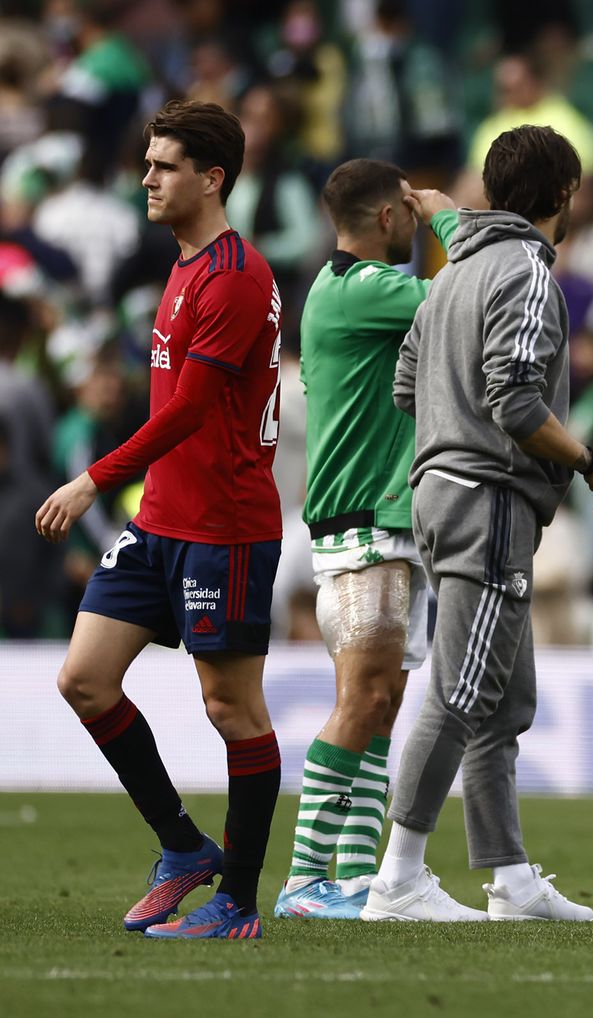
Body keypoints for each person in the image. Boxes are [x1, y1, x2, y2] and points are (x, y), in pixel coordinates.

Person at [36, 99, 285, 940]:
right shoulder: (184, 267)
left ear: (211, 178)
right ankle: (183, 847)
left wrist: (91, 481)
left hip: (225, 525)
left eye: (165, 164)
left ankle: (239, 904)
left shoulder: (235, 277)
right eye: (147, 162)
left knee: (232, 710)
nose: (146, 176)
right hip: (160, 522)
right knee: (84, 680)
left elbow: (187, 412)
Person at [363, 125, 593, 923]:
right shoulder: (528, 273)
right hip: (489, 499)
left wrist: (451, 430)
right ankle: (397, 876)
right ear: (564, 195)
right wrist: (588, 462)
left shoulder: (452, 273)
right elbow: (514, 401)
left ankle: (509, 878)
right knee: (464, 687)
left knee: (504, 699)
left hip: (443, 493)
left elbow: (407, 386)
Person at [271, 159, 459, 920]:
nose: (414, 223)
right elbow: (466, 296)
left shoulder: (337, 290)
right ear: (388, 218)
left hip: (387, 522)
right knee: (365, 698)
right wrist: (449, 216)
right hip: (363, 524)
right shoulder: (366, 290)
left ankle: (353, 878)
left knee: (383, 705)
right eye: (407, 212)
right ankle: (305, 877)